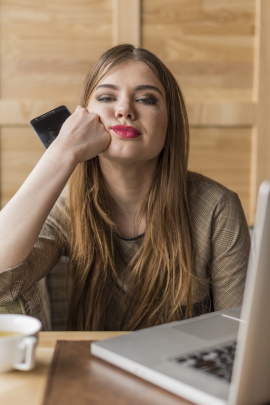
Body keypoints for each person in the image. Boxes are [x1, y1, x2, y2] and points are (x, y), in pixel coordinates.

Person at [0, 44, 250, 331]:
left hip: (179, 374)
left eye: (146, 100)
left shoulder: (217, 207)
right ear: (83, 119)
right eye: (107, 97)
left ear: (170, 122)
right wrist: (61, 154)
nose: (124, 110)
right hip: (89, 370)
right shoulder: (68, 206)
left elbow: (236, 335)